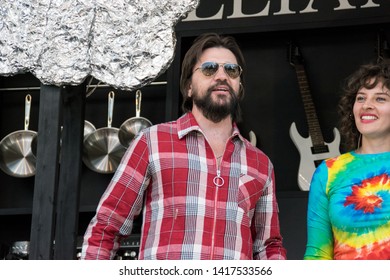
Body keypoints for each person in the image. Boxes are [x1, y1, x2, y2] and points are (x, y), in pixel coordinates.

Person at [81, 33, 287, 260]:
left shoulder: (260, 164)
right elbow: (106, 226)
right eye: (209, 68)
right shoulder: (152, 142)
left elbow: (269, 247)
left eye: (231, 70)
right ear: (188, 86)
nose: (222, 76)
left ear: (239, 86)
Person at [304, 61, 390, 260]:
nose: (366, 105)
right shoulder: (329, 171)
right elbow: (318, 253)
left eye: (380, 98)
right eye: (361, 98)